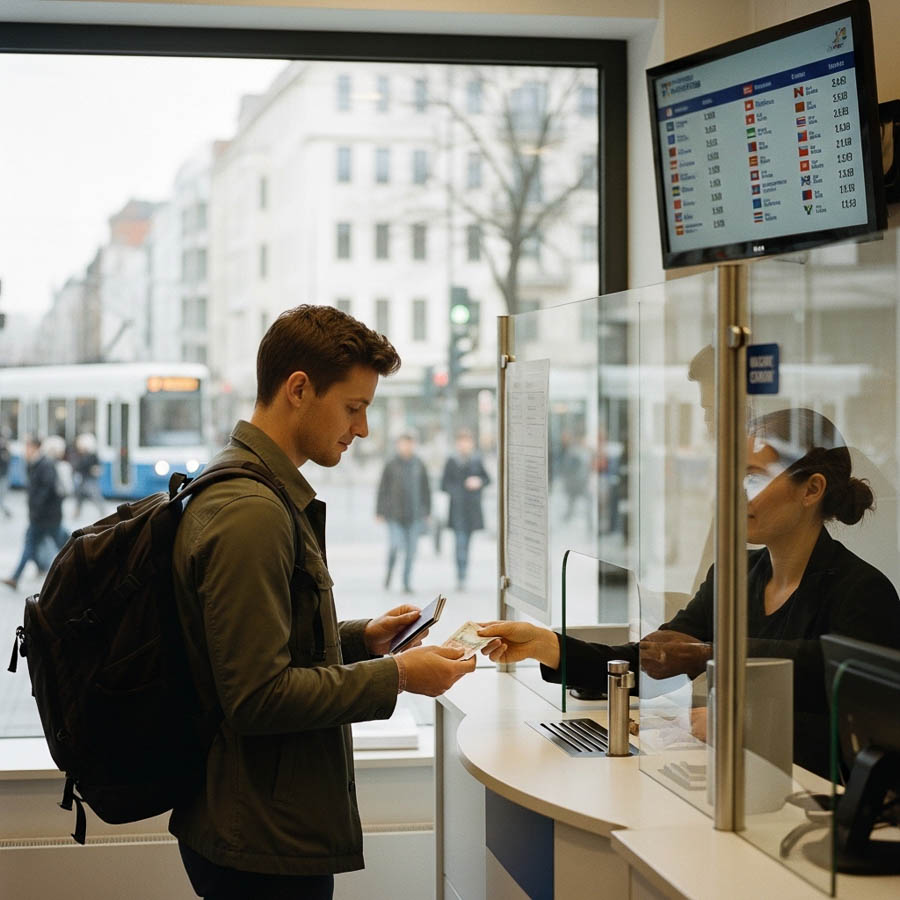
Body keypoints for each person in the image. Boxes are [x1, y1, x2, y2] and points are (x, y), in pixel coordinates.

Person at [169, 305, 475, 900]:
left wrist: (362, 639)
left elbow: (254, 640)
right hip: (260, 841)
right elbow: (258, 695)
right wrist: (397, 675)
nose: (361, 430)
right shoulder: (250, 512)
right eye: (354, 408)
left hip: (259, 824)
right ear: (299, 389)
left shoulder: (254, 489)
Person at [478, 408, 900, 778]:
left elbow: (858, 732)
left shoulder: (862, 592)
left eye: (754, 476)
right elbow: (653, 662)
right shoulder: (734, 575)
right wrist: (546, 645)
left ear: (812, 490)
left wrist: (737, 716)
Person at [2, 435, 69, 590]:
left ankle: (79, 563)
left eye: (27, 447)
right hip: (43, 517)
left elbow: (46, 490)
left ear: (34, 447)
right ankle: (19, 575)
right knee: (35, 543)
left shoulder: (44, 464)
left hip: (46, 517)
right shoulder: (37, 463)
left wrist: (37, 509)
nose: (25, 451)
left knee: (60, 544)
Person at [376, 433, 431, 593]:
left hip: (414, 515)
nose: (406, 447)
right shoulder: (391, 464)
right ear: (398, 445)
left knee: (411, 551)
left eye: (409, 443)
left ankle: (406, 582)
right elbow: (382, 488)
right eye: (403, 443)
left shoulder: (419, 464)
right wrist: (379, 511)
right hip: (394, 515)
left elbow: (426, 490)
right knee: (395, 546)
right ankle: (389, 572)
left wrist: (427, 511)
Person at [440, 427, 490, 592]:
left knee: (467, 543)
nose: (464, 445)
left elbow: (487, 479)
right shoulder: (452, 460)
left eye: (467, 442)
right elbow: (443, 484)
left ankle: (464, 571)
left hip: (472, 509)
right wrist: (457, 490)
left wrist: (478, 482)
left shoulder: (477, 459)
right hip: (457, 509)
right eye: (461, 442)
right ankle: (461, 574)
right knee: (460, 542)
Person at [72, 431, 105, 519]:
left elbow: (96, 466)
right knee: (79, 497)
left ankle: (102, 511)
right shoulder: (79, 455)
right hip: (82, 478)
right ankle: (77, 513)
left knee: (95, 496)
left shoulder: (91, 455)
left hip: (90, 479)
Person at [0, 427, 12, 518]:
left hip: (3, 475)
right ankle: (6, 510)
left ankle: (5, 510)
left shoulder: (5, 449)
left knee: (2, 495)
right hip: (3, 474)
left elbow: (7, 460)